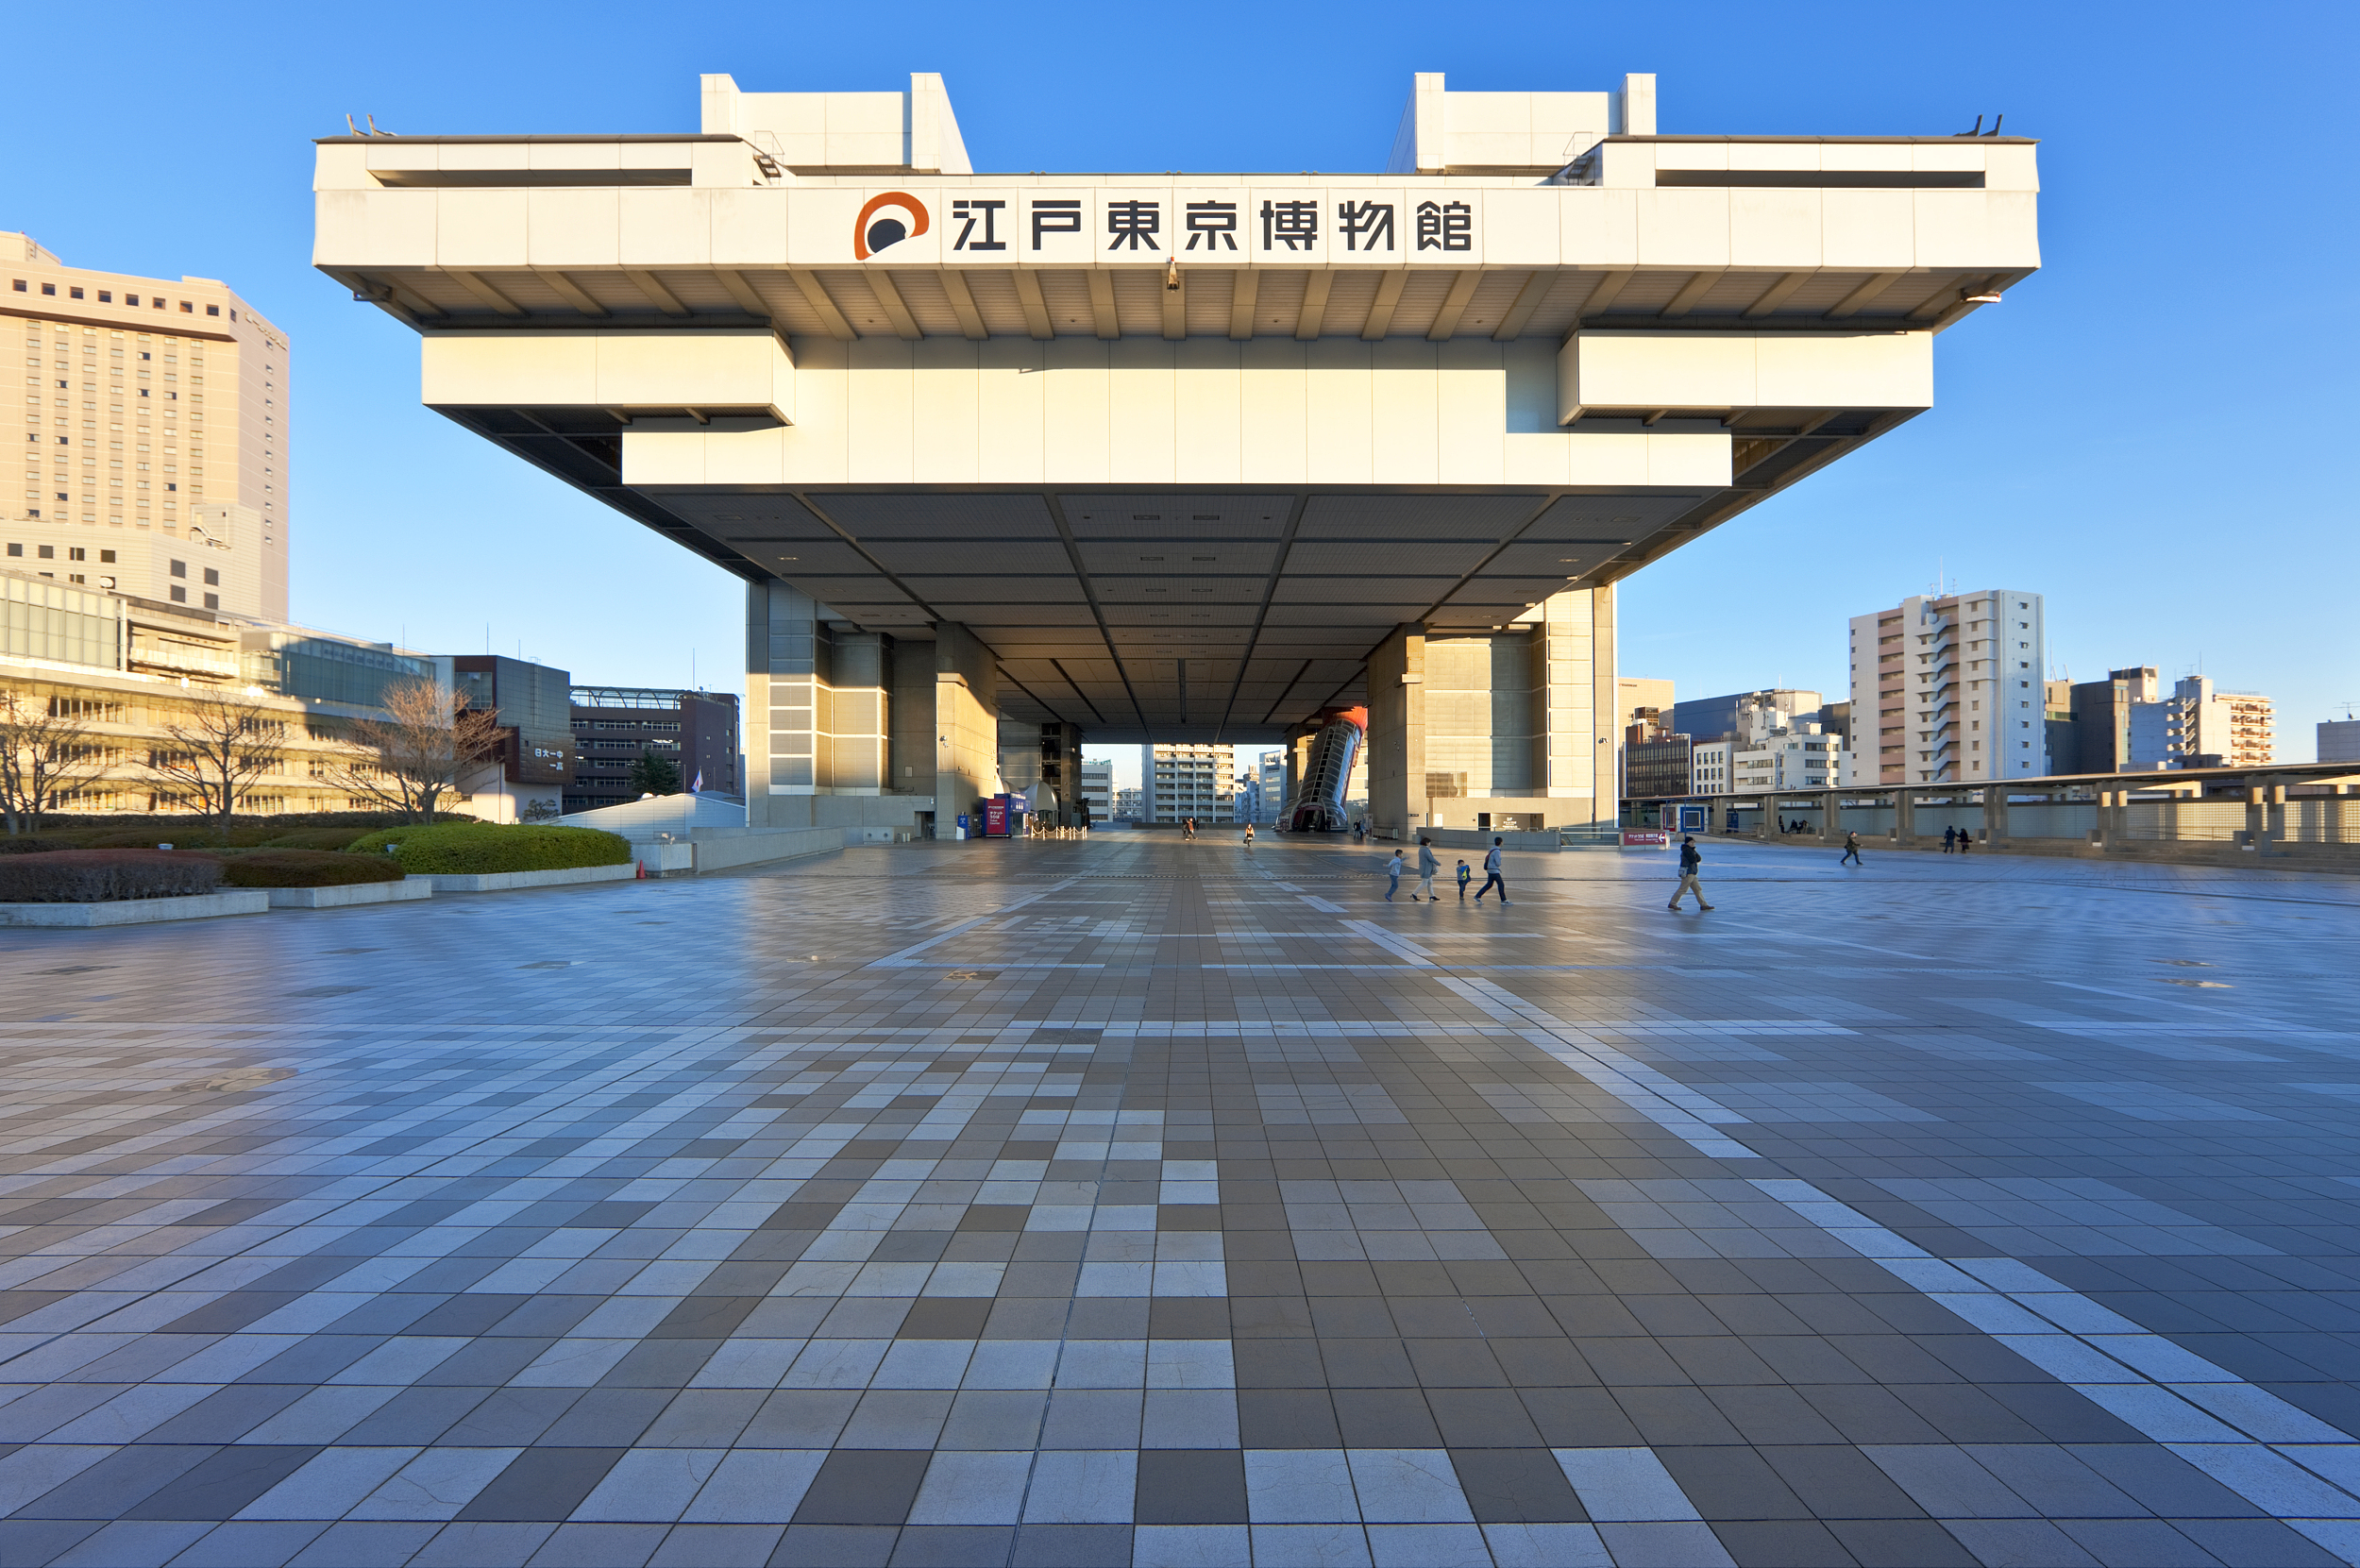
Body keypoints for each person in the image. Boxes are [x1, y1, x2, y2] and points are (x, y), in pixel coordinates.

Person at [1669, 835, 1713, 910]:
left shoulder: (1691, 850)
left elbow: (1698, 858)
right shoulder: (1687, 850)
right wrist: (1694, 854)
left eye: (1693, 842)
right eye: (1691, 842)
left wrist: (1694, 852)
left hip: (1692, 873)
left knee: (1697, 889)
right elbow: (1693, 859)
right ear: (1687, 843)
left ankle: (1703, 905)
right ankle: (1672, 903)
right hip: (1688, 873)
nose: (1693, 844)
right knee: (1683, 889)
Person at [1473, 837, 1509, 905]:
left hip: (1489, 869)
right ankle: (1503, 900)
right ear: (1501, 842)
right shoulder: (1497, 851)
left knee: (1489, 884)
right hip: (1494, 870)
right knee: (1501, 884)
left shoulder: (1492, 850)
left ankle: (1477, 896)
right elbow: (1498, 863)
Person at [1413, 836, 1439, 902]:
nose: (1430, 844)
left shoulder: (1422, 849)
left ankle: (1432, 895)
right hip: (1426, 869)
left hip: (1426, 868)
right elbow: (1430, 858)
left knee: (1430, 882)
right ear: (1427, 843)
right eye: (1429, 842)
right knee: (1424, 883)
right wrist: (1437, 863)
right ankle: (1414, 893)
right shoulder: (1425, 850)